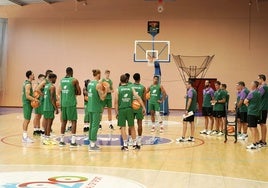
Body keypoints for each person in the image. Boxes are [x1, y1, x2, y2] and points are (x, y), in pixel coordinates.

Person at [114, 74, 146, 151]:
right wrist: (143, 107)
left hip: (121, 110)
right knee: (132, 127)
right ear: (127, 80)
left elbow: (115, 102)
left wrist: (116, 112)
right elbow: (138, 97)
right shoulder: (131, 88)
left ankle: (125, 145)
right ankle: (135, 144)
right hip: (130, 109)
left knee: (123, 128)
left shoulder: (118, 89)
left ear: (120, 81)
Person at [58, 67, 81, 147]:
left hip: (63, 103)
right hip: (71, 103)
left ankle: (61, 141)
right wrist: (74, 90)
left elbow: (60, 91)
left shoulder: (61, 80)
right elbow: (79, 92)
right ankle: (73, 141)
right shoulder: (74, 80)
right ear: (72, 72)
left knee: (64, 121)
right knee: (74, 121)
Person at [87, 69, 107, 151]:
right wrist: (106, 89)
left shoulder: (89, 83)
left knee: (91, 125)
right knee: (95, 126)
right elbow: (102, 98)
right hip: (96, 107)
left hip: (90, 107)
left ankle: (91, 143)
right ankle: (92, 145)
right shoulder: (98, 85)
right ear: (98, 74)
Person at [33, 70, 53, 136]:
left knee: (41, 115)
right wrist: (43, 95)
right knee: (38, 115)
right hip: (40, 100)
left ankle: (40, 130)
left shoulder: (49, 81)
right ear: (48, 74)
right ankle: (37, 130)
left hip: (44, 101)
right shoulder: (44, 81)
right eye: (51, 74)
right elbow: (37, 89)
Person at [244, 81, 261, 149]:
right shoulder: (259, 93)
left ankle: (254, 144)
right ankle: (257, 142)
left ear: (254, 85)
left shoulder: (252, 93)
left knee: (252, 128)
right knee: (255, 127)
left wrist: (248, 104)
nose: (250, 85)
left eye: (251, 84)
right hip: (257, 112)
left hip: (251, 112)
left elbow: (245, 101)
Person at [22, 70, 37, 143]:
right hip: (27, 103)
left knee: (27, 120)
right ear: (30, 76)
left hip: (27, 103)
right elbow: (27, 96)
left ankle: (25, 136)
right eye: (33, 75)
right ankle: (24, 137)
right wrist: (35, 99)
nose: (34, 76)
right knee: (26, 120)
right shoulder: (28, 84)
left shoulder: (27, 82)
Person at [42, 73, 58, 145]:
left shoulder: (46, 86)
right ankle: (47, 138)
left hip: (45, 107)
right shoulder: (52, 87)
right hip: (49, 107)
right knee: (49, 123)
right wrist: (56, 108)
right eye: (55, 79)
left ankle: (46, 137)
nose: (55, 80)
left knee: (46, 123)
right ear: (52, 78)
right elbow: (52, 99)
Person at [131, 73, 146, 147]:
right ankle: (139, 140)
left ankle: (131, 140)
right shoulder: (143, 87)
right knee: (139, 123)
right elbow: (144, 99)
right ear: (140, 79)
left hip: (131, 106)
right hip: (139, 106)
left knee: (131, 124)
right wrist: (144, 107)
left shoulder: (130, 86)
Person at [257, 74, 268, 147]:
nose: (258, 81)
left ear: (261, 79)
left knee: (263, 124)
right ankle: (262, 139)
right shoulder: (265, 86)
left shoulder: (263, 87)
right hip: (264, 107)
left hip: (262, 107)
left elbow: (258, 96)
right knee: (262, 124)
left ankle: (264, 141)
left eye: (258, 79)